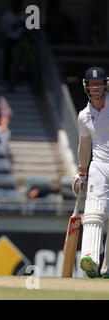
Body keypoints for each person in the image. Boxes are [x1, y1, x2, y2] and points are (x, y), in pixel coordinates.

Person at [73, 66, 109, 279]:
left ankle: (107, 268)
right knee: (94, 209)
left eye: (99, 84)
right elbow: (84, 147)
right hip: (99, 164)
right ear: (86, 87)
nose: (96, 88)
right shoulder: (84, 116)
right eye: (92, 84)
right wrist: (81, 172)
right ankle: (90, 258)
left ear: (106, 84)